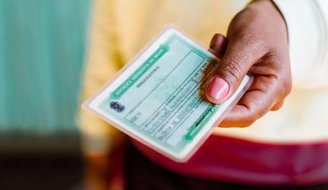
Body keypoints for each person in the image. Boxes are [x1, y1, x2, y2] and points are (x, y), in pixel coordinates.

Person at [79, 0, 328, 189]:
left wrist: (286, 19)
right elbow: (110, 21)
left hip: (300, 161)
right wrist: (97, 137)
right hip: (156, 147)